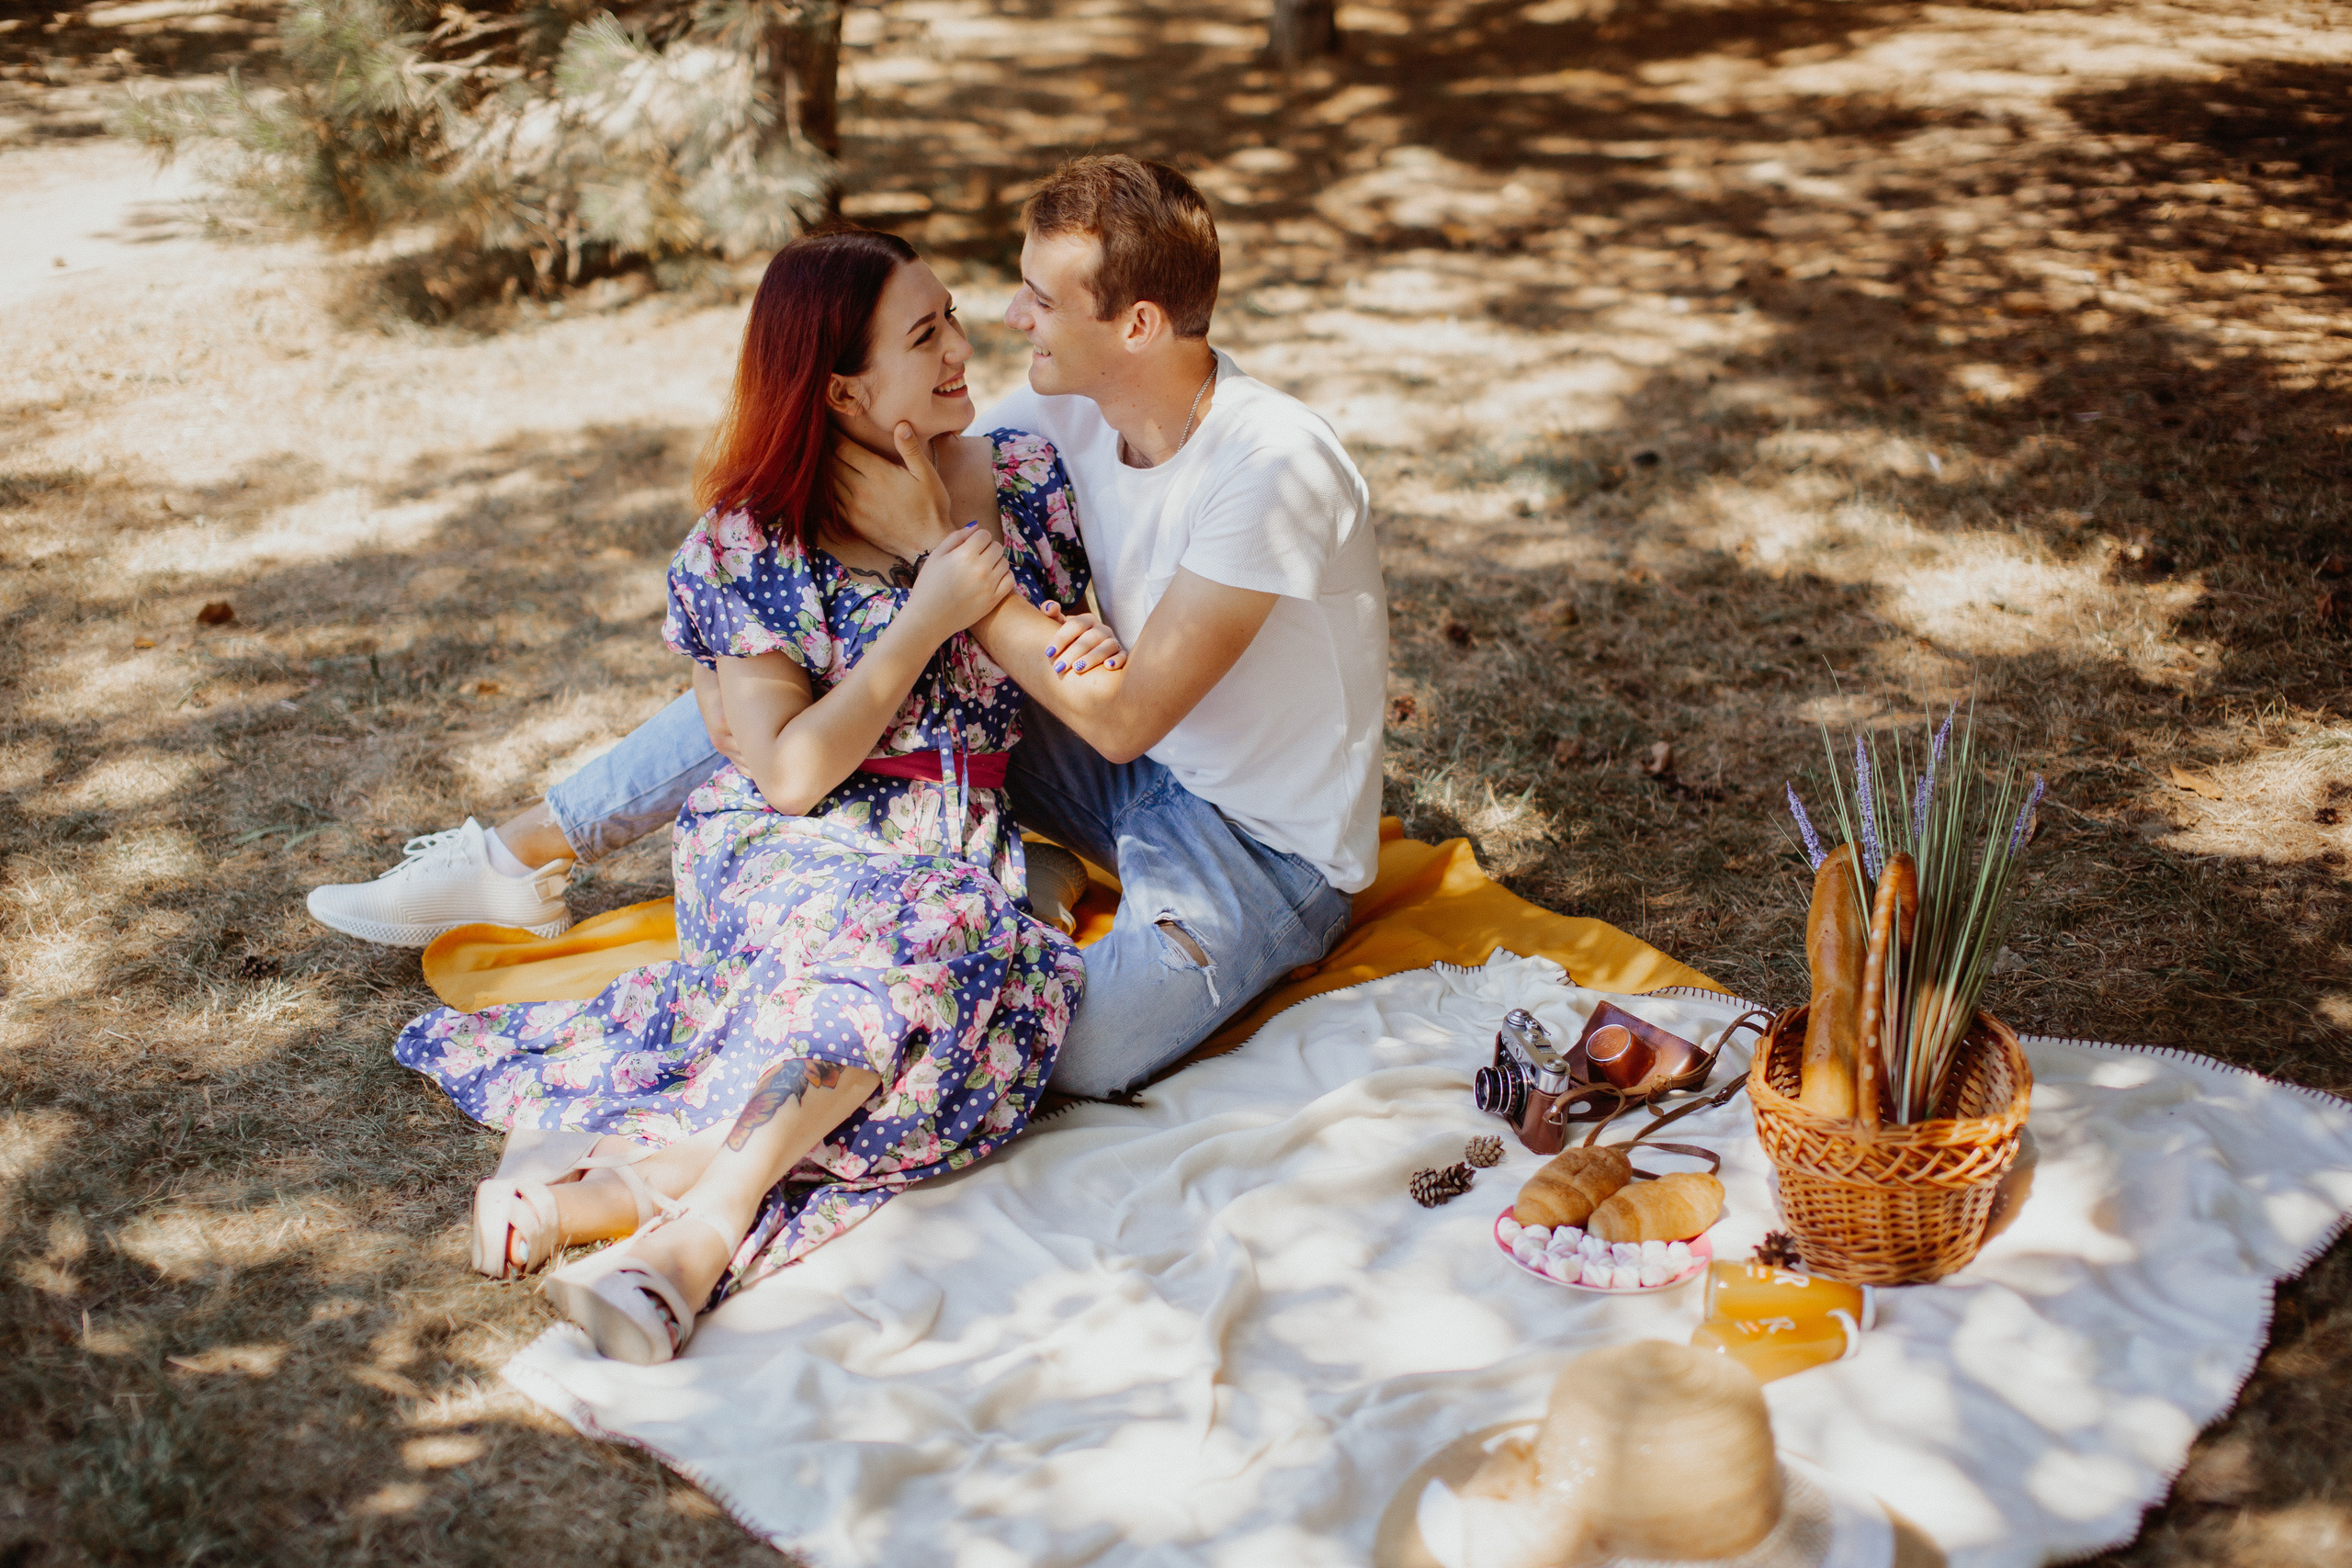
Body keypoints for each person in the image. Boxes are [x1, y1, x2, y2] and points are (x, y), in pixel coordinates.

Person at [319, 152, 1387, 1101]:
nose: (1011, 325)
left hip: (1255, 844)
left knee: (1062, 1051)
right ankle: (518, 851)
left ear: (1136, 326)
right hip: (1120, 755)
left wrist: (954, 573)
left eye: (1036, 299)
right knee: (829, 653)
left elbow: (1119, 714)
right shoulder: (1069, 409)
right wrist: (721, 668)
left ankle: (1029, 884)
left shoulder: (1271, 466)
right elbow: (858, 485)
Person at [395, 228, 1115, 1363]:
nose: (960, 350)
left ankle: (616, 1200)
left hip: (952, 844)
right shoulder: (756, 536)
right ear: (839, 387)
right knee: (925, 946)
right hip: (795, 843)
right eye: (923, 335)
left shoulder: (1022, 481)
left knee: (954, 952)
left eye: (951, 320)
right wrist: (927, 614)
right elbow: (786, 772)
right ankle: (704, 1236)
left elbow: (1076, 664)